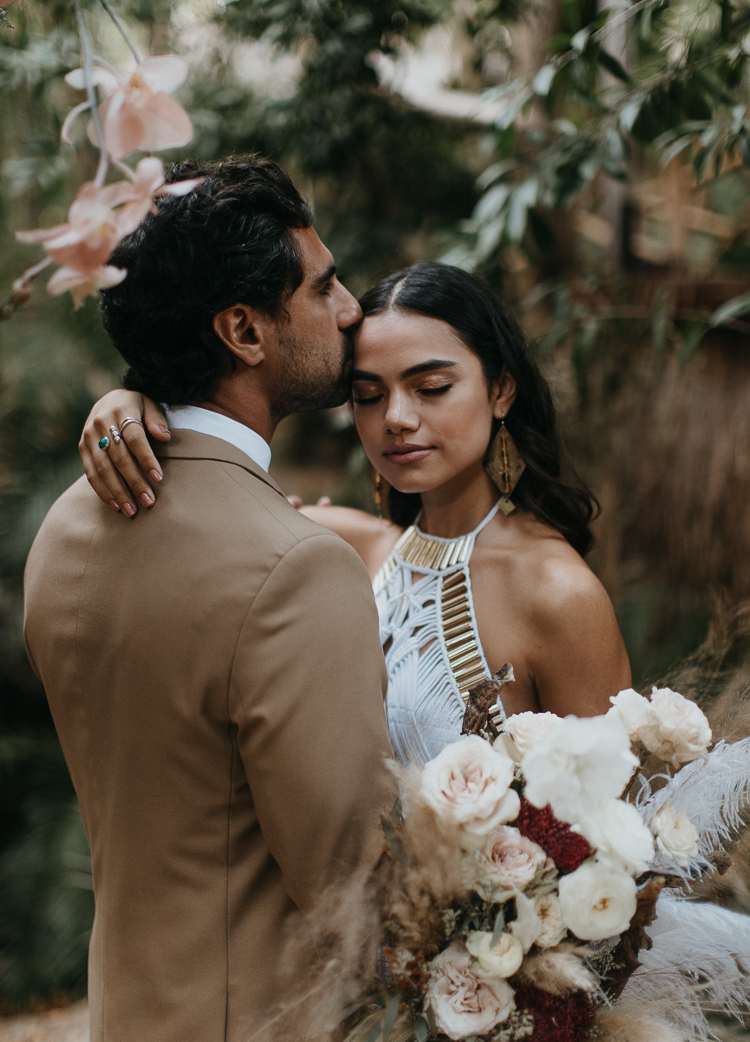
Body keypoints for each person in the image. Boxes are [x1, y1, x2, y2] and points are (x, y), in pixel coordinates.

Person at [23, 157, 395, 1042]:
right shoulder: (297, 567)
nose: (349, 308)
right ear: (243, 330)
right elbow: (354, 889)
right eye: (323, 286)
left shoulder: (66, 528)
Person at [79, 262, 631, 768]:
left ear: (502, 389)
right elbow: (190, 537)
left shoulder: (559, 594)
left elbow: (613, 841)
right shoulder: (337, 547)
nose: (395, 418)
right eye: (368, 395)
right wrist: (129, 404)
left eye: (431, 387)